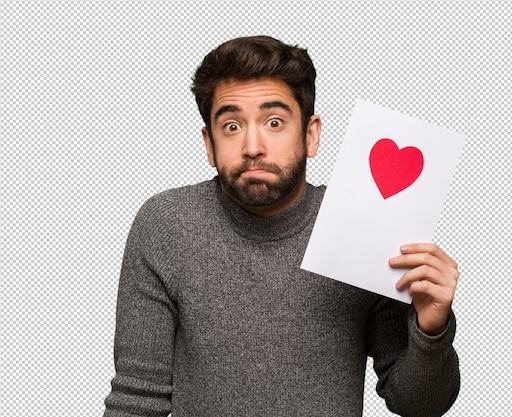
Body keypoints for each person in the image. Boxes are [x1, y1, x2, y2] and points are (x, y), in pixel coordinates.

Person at [103, 36, 460, 417]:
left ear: (310, 134)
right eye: (231, 125)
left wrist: (432, 326)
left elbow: (419, 405)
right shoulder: (166, 225)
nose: (252, 146)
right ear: (208, 143)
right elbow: (137, 399)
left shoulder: (364, 225)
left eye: (274, 122)